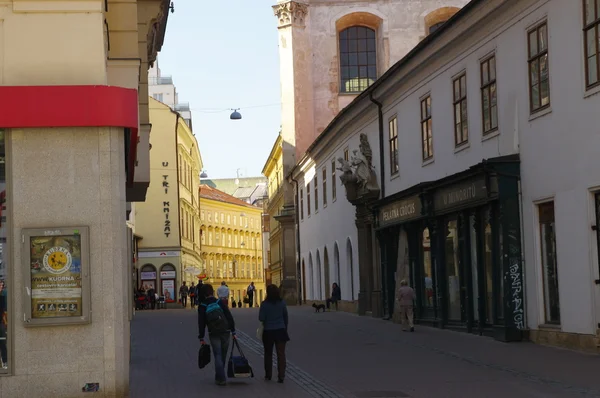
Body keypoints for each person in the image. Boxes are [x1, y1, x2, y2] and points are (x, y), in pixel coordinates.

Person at [198, 284, 236, 386]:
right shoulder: (219, 301)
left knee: (217, 355)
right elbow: (228, 316)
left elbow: (201, 322)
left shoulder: (202, 305)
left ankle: (221, 378)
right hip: (225, 331)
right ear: (212, 292)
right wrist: (233, 331)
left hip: (213, 332)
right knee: (223, 355)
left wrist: (201, 336)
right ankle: (220, 376)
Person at [259, 284, 289, 383]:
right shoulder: (282, 303)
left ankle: (268, 375)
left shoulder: (264, 304)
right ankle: (281, 376)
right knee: (281, 354)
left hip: (268, 331)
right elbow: (285, 317)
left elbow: (261, 318)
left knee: (268, 353)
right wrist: (285, 327)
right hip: (280, 330)